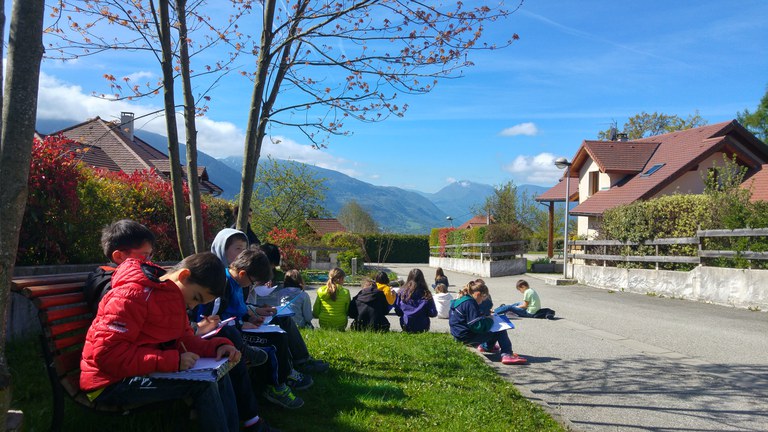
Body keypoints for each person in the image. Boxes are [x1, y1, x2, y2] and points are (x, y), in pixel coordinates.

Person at [80, 253, 243, 431]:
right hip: (108, 383)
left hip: (139, 372)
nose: (193, 306)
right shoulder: (131, 296)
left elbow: (185, 340)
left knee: (217, 374)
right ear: (183, 276)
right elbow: (107, 356)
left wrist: (218, 347)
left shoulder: (171, 297)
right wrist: (171, 361)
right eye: (196, 298)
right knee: (203, 385)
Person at [207, 229, 308, 409]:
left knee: (280, 333)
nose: (252, 286)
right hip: (231, 333)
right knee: (275, 341)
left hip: (240, 328)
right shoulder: (224, 282)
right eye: (252, 282)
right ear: (244, 274)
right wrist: (240, 322)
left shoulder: (237, 282)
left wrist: (250, 316)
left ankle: (282, 377)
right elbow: (216, 316)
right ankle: (277, 386)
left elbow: (239, 307)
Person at [84, 219, 156, 314]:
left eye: (150, 255)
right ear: (119, 256)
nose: (148, 260)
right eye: (145, 255)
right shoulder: (110, 284)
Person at [449, 279, 527, 365]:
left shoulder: (461, 299)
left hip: (457, 335)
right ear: (478, 294)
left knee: (492, 328)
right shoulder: (470, 303)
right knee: (500, 330)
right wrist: (490, 320)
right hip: (466, 337)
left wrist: (484, 317)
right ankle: (507, 354)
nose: (482, 301)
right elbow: (476, 326)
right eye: (483, 298)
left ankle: (487, 347)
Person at [394, 269, 437, 333]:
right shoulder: (426, 294)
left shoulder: (401, 292)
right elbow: (433, 313)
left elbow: (398, 312)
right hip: (422, 326)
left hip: (406, 324)